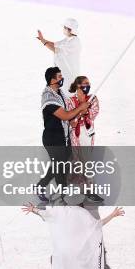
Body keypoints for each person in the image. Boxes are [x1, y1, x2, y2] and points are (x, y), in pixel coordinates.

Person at [22, 197, 124, 269]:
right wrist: (113, 215)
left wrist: (33, 209)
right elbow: (97, 225)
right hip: (77, 256)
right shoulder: (82, 213)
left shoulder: (61, 211)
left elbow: (45, 214)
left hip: (63, 255)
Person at [37, 67, 90, 203]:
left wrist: (79, 113)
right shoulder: (48, 97)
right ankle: (64, 196)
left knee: (60, 163)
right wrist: (80, 108)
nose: (62, 78)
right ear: (52, 79)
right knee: (60, 167)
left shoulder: (60, 93)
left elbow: (69, 114)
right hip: (53, 139)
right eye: (59, 76)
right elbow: (65, 115)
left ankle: (41, 185)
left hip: (63, 137)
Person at [66, 76, 103, 202]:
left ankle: (87, 189)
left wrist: (85, 110)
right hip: (76, 135)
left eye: (89, 84)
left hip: (87, 133)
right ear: (78, 86)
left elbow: (94, 114)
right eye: (85, 83)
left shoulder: (93, 98)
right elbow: (72, 122)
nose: (88, 86)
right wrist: (81, 109)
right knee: (79, 161)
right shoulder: (70, 101)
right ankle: (85, 190)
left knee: (86, 161)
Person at [37, 19, 81, 94]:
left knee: (67, 99)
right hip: (63, 76)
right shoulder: (68, 40)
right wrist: (43, 40)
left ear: (69, 29)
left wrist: (43, 40)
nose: (63, 29)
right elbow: (55, 46)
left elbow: (54, 47)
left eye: (64, 27)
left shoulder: (74, 42)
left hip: (69, 78)